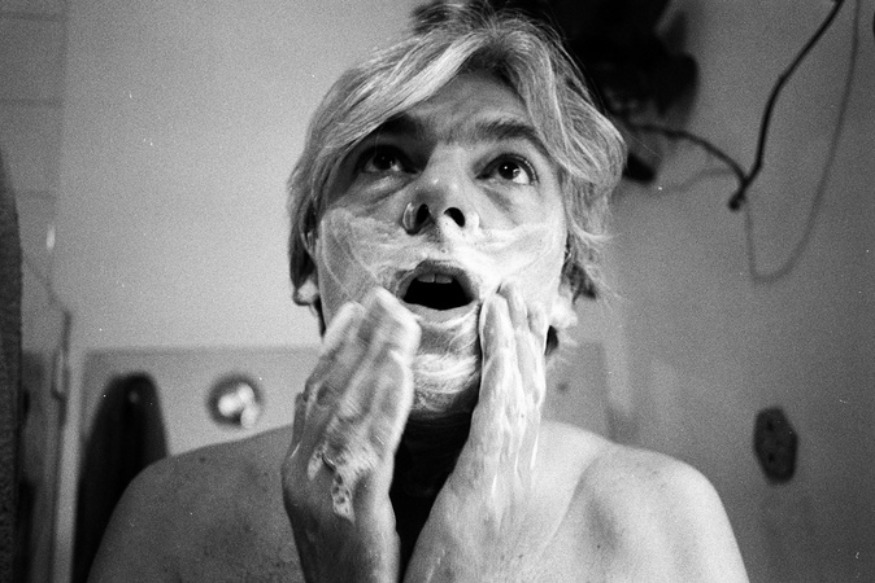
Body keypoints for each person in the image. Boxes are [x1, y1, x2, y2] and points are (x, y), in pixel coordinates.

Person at [89, 4, 749, 582]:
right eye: (384, 159)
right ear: (308, 261)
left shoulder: (660, 519)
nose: (439, 193)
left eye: (507, 167)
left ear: (567, 284)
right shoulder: (169, 517)